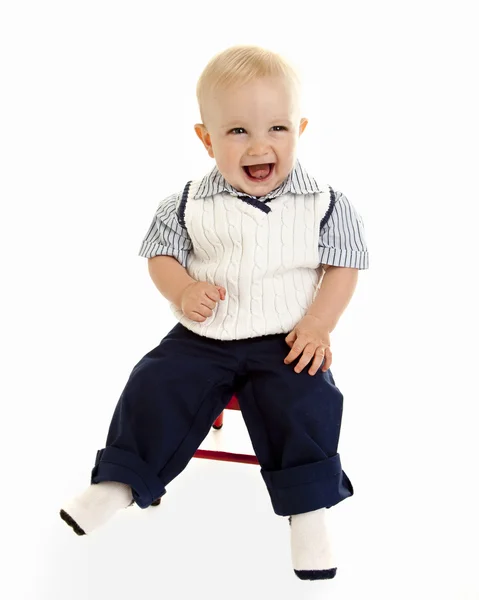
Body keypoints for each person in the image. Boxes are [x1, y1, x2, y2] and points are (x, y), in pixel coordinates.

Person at [60, 44, 369, 581]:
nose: (259, 146)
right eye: (237, 132)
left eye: (277, 129)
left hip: (285, 336)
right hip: (204, 335)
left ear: (300, 129)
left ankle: (308, 507)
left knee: (306, 398)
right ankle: (122, 478)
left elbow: (342, 267)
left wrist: (318, 323)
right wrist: (181, 290)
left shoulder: (325, 203)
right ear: (206, 139)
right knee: (155, 381)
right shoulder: (185, 203)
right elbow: (161, 256)